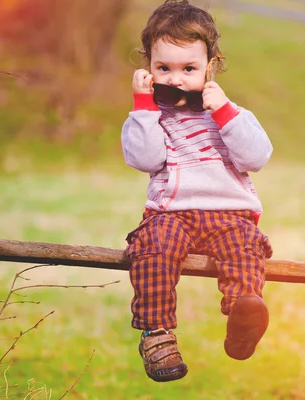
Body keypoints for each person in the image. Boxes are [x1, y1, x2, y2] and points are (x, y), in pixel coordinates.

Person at [121, 0, 273, 382]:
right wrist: (143, 107)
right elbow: (144, 158)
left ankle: (243, 317)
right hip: (171, 214)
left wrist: (224, 112)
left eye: (188, 68)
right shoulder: (149, 118)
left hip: (230, 214)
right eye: (164, 69)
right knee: (152, 250)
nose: (175, 79)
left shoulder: (231, 113)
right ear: (148, 67)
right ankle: (157, 335)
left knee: (245, 249)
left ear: (211, 66)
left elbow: (256, 157)